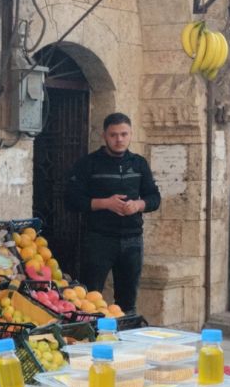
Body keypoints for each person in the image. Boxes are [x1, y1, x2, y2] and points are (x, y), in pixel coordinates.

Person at [64, 112, 161, 314]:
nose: (119, 139)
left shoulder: (139, 163)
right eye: (114, 135)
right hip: (99, 240)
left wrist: (138, 205)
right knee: (89, 298)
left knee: (128, 302)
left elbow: (154, 198)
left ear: (131, 134)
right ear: (104, 136)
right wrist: (105, 203)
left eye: (124, 134)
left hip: (133, 240)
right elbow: (71, 200)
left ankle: (126, 338)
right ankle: (91, 339)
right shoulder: (88, 164)